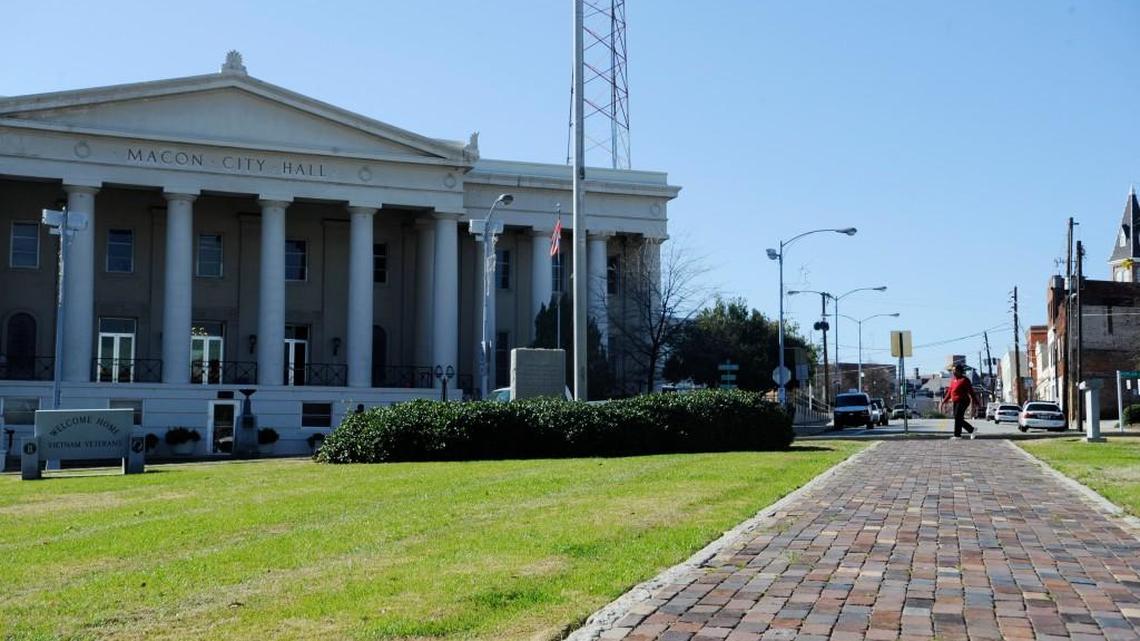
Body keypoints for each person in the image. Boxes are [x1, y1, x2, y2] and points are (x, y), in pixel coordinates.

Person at [941, 364, 981, 439]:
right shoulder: (953, 380)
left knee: (957, 417)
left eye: (955, 370)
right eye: (952, 370)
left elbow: (971, 392)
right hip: (955, 401)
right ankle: (971, 430)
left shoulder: (964, 380)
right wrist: (944, 401)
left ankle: (957, 435)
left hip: (963, 401)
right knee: (958, 418)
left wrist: (976, 402)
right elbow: (950, 392)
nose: (953, 372)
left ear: (960, 371)